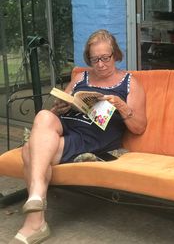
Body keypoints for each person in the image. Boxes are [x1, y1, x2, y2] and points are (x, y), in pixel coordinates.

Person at [10, 29, 147, 244]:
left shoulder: (130, 83)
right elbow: (60, 106)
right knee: (45, 115)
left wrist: (121, 105)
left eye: (105, 58)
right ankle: (36, 200)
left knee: (31, 150)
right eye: (94, 60)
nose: (100, 64)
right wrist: (61, 107)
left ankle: (35, 220)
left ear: (116, 55)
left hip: (93, 139)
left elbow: (139, 127)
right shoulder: (80, 77)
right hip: (67, 126)